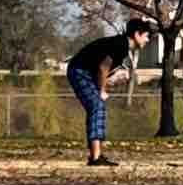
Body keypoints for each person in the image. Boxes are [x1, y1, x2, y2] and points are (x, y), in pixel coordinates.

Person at [63, 19, 156, 166]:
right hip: (79, 71)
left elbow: (102, 68)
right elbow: (103, 67)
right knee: (97, 105)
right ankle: (95, 157)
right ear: (137, 34)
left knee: (97, 107)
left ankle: (96, 155)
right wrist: (102, 90)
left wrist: (108, 81)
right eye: (146, 36)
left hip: (84, 71)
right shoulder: (121, 45)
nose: (147, 40)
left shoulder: (121, 45)